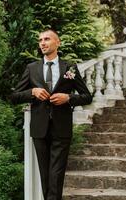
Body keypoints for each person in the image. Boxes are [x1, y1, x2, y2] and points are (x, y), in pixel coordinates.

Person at [10, 29, 92, 200]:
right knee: (46, 176)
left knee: (56, 175)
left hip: (61, 129)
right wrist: (32, 91)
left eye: (47, 39)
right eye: (40, 40)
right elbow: (14, 96)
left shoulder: (69, 68)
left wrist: (68, 97)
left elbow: (87, 97)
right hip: (39, 129)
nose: (42, 43)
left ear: (57, 43)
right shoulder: (31, 68)